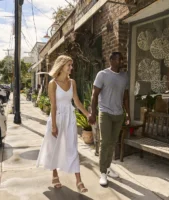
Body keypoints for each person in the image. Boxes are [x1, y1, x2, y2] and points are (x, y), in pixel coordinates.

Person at [36, 55, 88, 193]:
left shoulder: (72, 82)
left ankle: (79, 180)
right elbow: (53, 106)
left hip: (69, 118)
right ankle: (54, 174)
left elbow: (76, 101)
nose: (71, 68)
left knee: (72, 147)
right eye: (69, 65)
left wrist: (87, 114)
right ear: (61, 66)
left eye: (71, 65)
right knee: (54, 146)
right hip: (57, 117)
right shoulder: (52, 83)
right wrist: (53, 125)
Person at [88, 52, 130, 186]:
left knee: (112, 143)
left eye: (122, 59)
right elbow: (94, 95)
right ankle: (102, 173)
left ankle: (108, 167)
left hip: (118, 115)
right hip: (105, 113)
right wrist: (92, 113)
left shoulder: (124, 76)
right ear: (111, 60)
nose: (121, 62)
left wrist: (127, 113)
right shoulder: (103, 74)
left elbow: (125, 97)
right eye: (118, 59)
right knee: (105, 142)